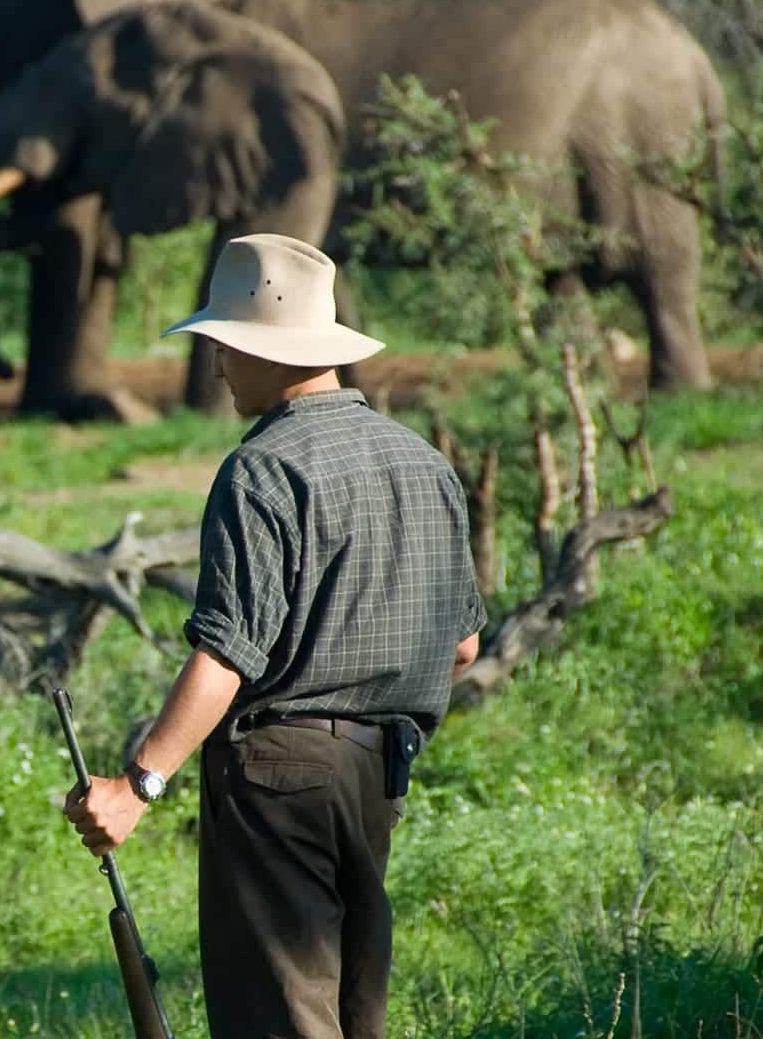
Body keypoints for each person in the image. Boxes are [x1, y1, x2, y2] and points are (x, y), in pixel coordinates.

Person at [63, 234, 486, 1039]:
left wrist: (137, 787)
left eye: (225, 345)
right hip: (381, 772)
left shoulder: (261, 469)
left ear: (265, 348)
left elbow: (228, 653)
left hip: (277, 774)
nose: (217, 366)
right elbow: (461, 647)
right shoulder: (423, 460)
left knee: (282, 1015)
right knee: (353, 1010)